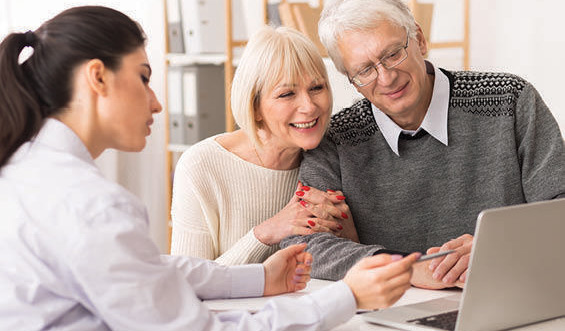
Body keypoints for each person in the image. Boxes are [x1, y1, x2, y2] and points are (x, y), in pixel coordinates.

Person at [0, 6, 421, 330]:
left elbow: (155, 268)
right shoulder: (90, 204)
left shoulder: (30, 169)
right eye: (144, 77)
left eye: (317, 87)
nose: (156, 102)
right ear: (98, 77)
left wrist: (258, 279)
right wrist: (347, 296)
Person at [281, 0, 565, 289]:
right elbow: (304, 245)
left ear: (419, 38)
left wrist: (499, 248)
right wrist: (406, 268)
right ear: (350, 80)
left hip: (510, 293)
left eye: (393, 54)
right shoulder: (336, 140)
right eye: (364, 70)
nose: (386, 77)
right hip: (398, 313)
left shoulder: (510, 101)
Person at [171, 25, 358, 265]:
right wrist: (265, 234)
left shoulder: (334, 156)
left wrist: (348, 233)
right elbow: (187, 283)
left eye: (316, 88)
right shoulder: (201, 165)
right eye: (286, 94)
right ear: (255, 106)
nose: (309, 106)